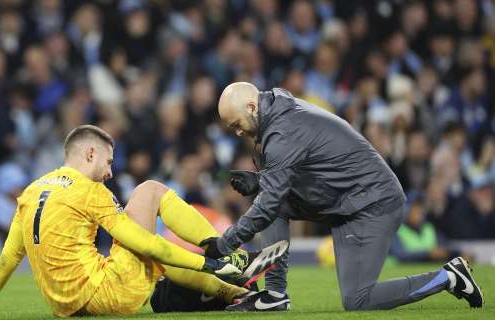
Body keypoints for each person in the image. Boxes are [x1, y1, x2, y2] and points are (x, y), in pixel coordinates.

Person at [0, 124, 288, 319]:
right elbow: (146, 243)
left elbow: (8, 259)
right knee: (149, 191)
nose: (110, 171)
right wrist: (209, 263)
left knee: (146, 256)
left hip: (66, 308)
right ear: (89, 154)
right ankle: (227, 255)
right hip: (108, 296)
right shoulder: (89, 191)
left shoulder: (31, 192)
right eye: (108, 161)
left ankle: (238, 291)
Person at [201, 82, 484, 311]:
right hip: (346, 201)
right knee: (272, 198)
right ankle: (275, 295)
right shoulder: (278, 111)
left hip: (374, 203)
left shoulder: (282, 130)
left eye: (235, 123)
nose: (237, 131)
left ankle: (448, 277)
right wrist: (262, 180)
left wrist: (227, 243)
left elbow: (272, 200)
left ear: (251, 106)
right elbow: (309, 169)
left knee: (358, 299)